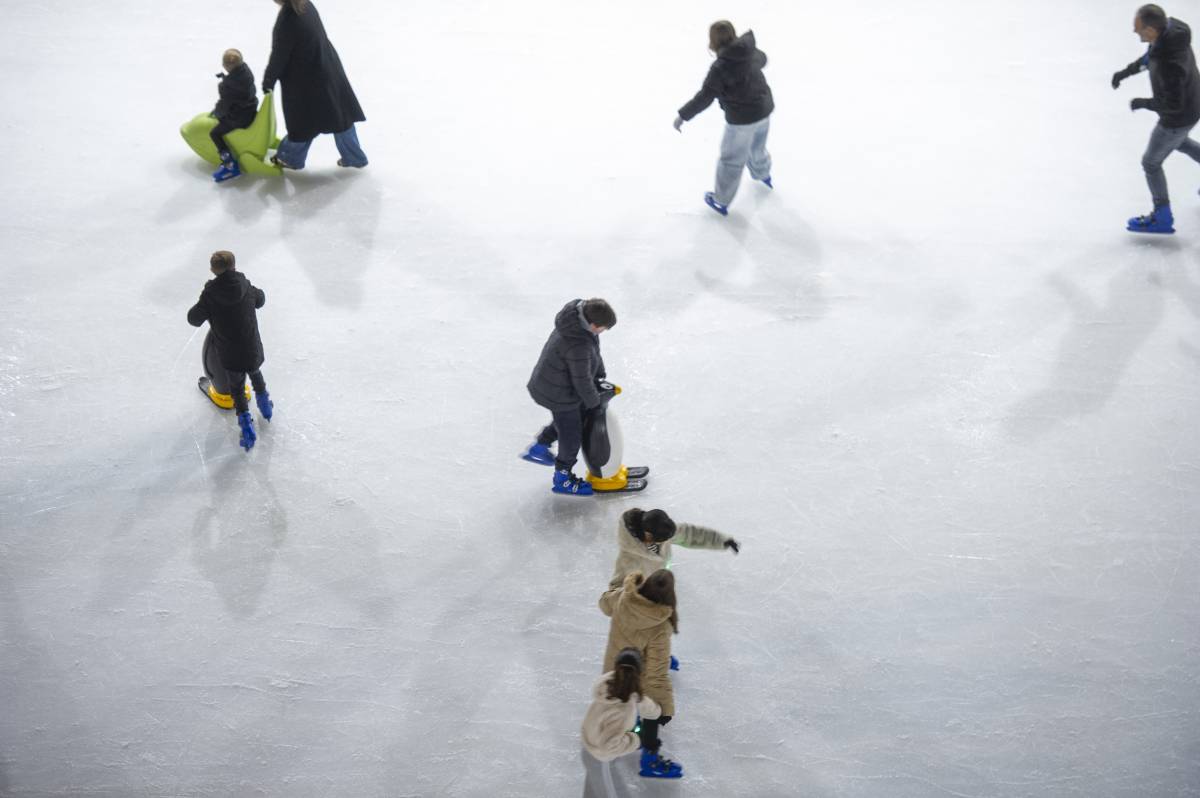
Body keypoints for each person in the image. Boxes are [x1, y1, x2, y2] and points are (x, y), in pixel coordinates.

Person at [1112, 4, 1200, 234]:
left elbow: (1172, 103)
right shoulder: (1172, 34)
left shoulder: (1168, 64)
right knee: (1180, 142)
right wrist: (1126, 72)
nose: (1135, 31)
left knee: (1151, 163)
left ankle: (1162, 217)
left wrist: (1143, 103)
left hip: (1177, 118)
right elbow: (1149, 56)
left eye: (1138, 28)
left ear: (1151, 29)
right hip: (1194, 106)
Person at [674, 21, 774, 216]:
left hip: (741, 119)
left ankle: (721, 200)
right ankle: (763, 174)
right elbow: (763, 60)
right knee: (757, 146)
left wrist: (683, 115)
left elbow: (705, 97)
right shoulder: (748, 50)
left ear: (713, 42)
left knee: (731, 160)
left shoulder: (720, 68)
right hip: (763, 109)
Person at [523, 298, 618, 496]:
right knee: (572, 434)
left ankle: (540, 447)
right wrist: (593, 402)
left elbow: (594, 354)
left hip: (552, 383)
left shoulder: (577, 320)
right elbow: (582, 380)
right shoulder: (578, 344)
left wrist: (600, 375)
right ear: (593, 324)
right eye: (602, 328)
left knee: (567, 421)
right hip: (558, 392)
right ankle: (563, 479)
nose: (602, 332)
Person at [262, 0, 368, 170]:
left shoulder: (288, 19)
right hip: (328, 67)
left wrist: (268, 81)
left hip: (307, 80)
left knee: (303, 122)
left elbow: (279, 56)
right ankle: (355, 157)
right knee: (341, 118)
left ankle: (290, 158)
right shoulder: (306, 5)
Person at [599, 570, 683, 779]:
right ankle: (650, 760)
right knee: (652, 713)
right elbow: (656, 675)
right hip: (638, 679)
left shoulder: (623, 597)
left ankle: (627, 731)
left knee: (621, 704)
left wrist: (618, 588)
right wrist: (665, 708)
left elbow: (603, 603)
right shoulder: (659, 627)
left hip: (613, 667)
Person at [187, 251, 274, 451]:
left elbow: (193, 318)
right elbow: (260, 299)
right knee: (256, 374)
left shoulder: (210, 295)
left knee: (237, 389)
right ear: (234, 265)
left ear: (212, 270)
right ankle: (265, 406)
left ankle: (247, 428)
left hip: (231, 354)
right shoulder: (245, 285)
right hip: (252, 348)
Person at [580, 647, 662, 797]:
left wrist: (653, 710)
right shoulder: (622, 710)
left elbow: (637, 697)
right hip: (600, 756)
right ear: (639, 674)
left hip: (589, 747)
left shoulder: (609, 685)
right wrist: (635, 738)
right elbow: (610, 745)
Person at [209, 49, 259, 183]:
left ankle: (230, 165)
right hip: (250, 110)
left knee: (214, 133)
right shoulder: (246, 72)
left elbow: (225, 105)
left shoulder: (229, 86)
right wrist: (227, 80)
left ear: (227, 66)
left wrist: (216, 114)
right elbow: (239, 89)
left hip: (240, 118)